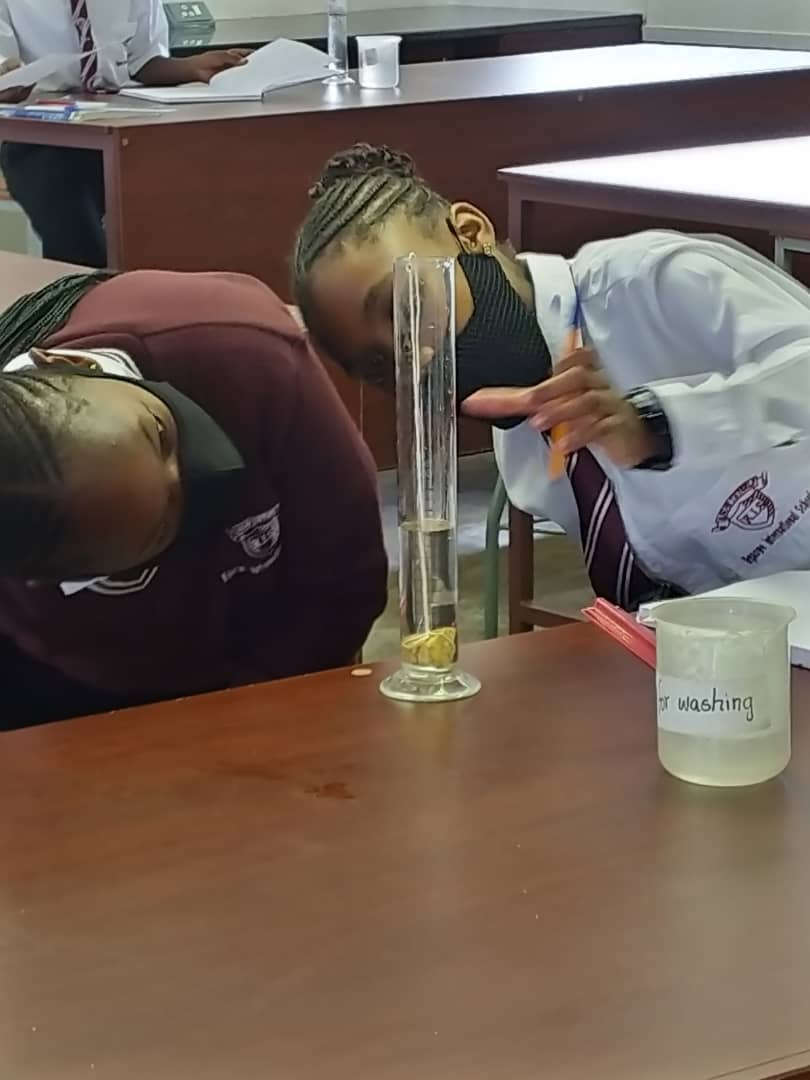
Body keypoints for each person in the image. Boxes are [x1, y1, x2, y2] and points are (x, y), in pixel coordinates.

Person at [291, 143, 810, 610]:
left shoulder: (655, 281)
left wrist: (658, 423)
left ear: (470, 232)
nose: (419, 356)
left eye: (407, 305)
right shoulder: (525, 444)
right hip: (751, 636)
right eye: (381, 364)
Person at [0, 268, 388, 727]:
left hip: (279, 674)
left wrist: (247, 708)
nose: (192, 472)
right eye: (159, 528)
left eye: (159, 433)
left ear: (76, 364)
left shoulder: (246, 351)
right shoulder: (29, 575)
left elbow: (347, 580)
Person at [0, 0, 250, 266]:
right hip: (44, 133)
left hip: (121, 119)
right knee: (66, 195)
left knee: (193, 168)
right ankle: (87, 283)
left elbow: (144, 62)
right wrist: (10, 83)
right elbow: (6, 70)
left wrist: (192, 67)